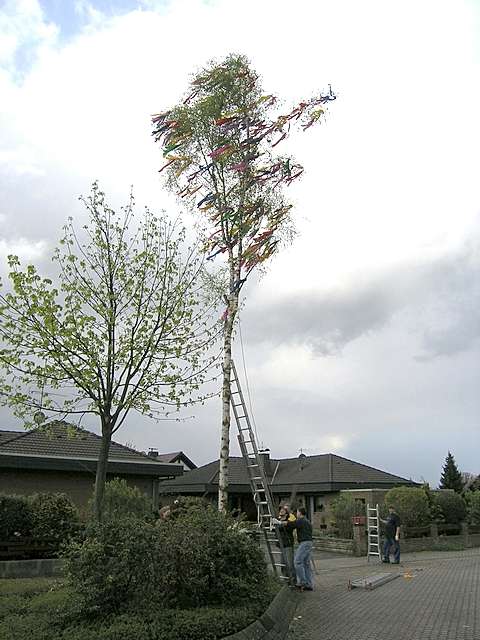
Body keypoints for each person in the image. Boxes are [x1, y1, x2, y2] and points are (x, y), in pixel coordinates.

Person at [292, 507, 314, 591]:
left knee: (297, 562)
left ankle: (302, 582)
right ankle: (309, 584)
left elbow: (292, 524)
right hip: (308, 542)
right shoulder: (307, 521)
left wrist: (280, 522)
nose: (296, 514)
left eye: (297, 512)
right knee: (306, 563)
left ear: (300, 513)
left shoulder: (301, 520)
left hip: (304, 543)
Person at [278, 504, 296, 584]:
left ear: (286, 512)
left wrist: (280, 523)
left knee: (290, 563)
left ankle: (293, 580)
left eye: (283, 510)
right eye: (280, 510)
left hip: (288, 544)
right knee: (283, 563)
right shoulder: (278, 520)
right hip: (281, 544)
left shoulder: (289, 520)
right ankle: (285, 580)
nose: (281, 511)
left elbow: (290, 526)